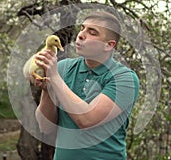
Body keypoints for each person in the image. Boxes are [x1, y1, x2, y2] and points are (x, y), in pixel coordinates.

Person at [26, 11, 140, 160]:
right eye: (82, 28)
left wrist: (55, 78)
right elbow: (45, 127)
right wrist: (48, 90)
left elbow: (87, 119)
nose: (81, 35)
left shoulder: (124, 78)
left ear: (108, 45)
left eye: (92, 32)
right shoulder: (63, 68)